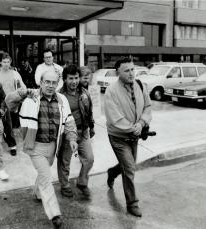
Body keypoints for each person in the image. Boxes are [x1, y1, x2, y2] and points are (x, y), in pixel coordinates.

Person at [5, 69, 78, 228]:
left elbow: (70, 121)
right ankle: (55, 214)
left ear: (57, 84)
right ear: (41, 82)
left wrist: (72, 138)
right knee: (46, 176)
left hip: (53, 145)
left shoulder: (62, 99)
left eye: (54, 83)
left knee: (44, 172)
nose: (51, 86)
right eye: (47, 82)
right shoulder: (31, 97)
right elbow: (9, 103)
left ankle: (38, 193)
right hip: (35, 145)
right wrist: (22, 92)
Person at [104, 57, 152, 217]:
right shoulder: (111, 91)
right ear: (118, 72)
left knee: (127, 165)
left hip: (135, 135)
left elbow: (147, 107)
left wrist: (142, 123)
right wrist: (133, 128)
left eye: (133, 69)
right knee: (130, 168)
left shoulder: (140, 85)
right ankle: (132, 204)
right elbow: (114, 117)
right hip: (118, 136)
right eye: (127, 70)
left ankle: (112, 172)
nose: (131, 73)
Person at [58, 64, 95, 198]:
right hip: (67, 134)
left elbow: (89, 111)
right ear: (65, 79)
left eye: (76, 78)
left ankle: (82, 182)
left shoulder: (85, 93)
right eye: (71, 78)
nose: (74, 82)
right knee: (65, 162)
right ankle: (65, 185)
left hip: (83, 131)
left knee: (89, 159)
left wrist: (92, 127)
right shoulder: (59, 96)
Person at [0, 53, 26, 156]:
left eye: (8, 62)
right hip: (2, 103)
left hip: (13, 103)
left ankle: (11, 144)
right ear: (1, 62)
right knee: (5, 126)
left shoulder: (15, 73)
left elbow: (22, 86)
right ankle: (12, 146)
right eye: (4, 62)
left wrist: (23, 93)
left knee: (10, 126)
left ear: (10, 62)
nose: (6, 64)